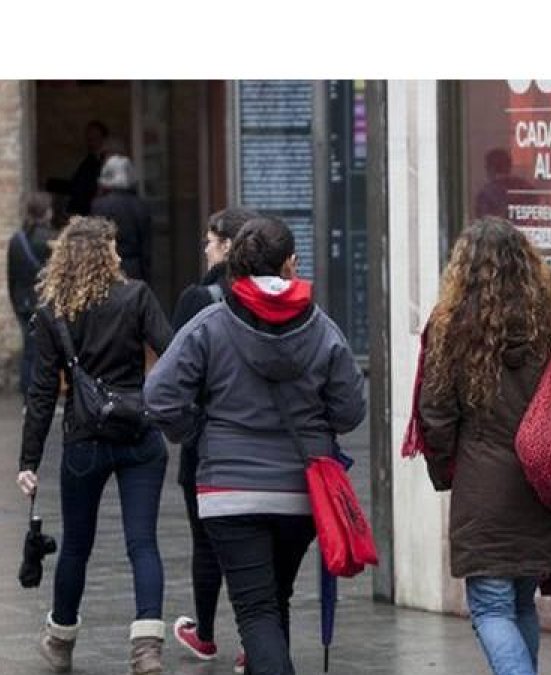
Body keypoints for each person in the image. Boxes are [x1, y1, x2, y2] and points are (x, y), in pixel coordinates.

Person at [146, 216, 367, 675]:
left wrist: (195, 431)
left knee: (257, 609)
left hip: (227, 490)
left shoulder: (210, 324)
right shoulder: (323, 328)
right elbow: (349, 410)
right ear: (291, 264)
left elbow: (160, 394)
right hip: (300, 489)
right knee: (274, 600)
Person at [417, 217, 551, 675]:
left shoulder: (450, 328)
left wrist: (447, 472)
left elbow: (436, 416)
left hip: (484, 492)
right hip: (543, 491)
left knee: (491, 609)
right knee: (520, 604)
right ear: (527, 266)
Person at [15, 216, 173, 675]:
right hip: (140, 434)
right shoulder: (137, 296)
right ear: (106, 256)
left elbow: (43, 393)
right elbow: (175, 352)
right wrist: (161, 403)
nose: (120, 256)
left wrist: (29, 461)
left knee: (77, 546)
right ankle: (147, 648)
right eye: (115, 249)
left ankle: (61, 639)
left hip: (84, 440)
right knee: (143, 542)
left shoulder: (51, 312)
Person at [166, 207, 259, 669]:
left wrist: (188, 429)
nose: (205, 248)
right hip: (269, 443)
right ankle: (254, 641)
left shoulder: (198, 299)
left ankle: (205, 633)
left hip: (208, 444)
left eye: (209, 241)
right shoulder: (277, 297)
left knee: (208, 542)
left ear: (226, 245)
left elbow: (171, 378)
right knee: (258, 548)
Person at [6, 192, 59, 403]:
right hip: (45, 301)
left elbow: (11, 277)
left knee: (29, 350)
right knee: (47, 353)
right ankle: (41, 397)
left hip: (23, 302)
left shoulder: (16, 240)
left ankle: (27, 395)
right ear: (46, 212)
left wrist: (16, 302)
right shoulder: (52, 240)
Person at [91, 155, 152, 284]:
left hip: (106, 268)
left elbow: (95, 243)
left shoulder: (99, 206)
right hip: (134, 269)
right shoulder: (140, 206)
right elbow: (146, 248)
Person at [68, 120, 108, 216]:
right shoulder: (88, 160)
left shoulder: (107, 160)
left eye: (94, 136)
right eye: (89, 136)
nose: (90, 140)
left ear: (102, 138)